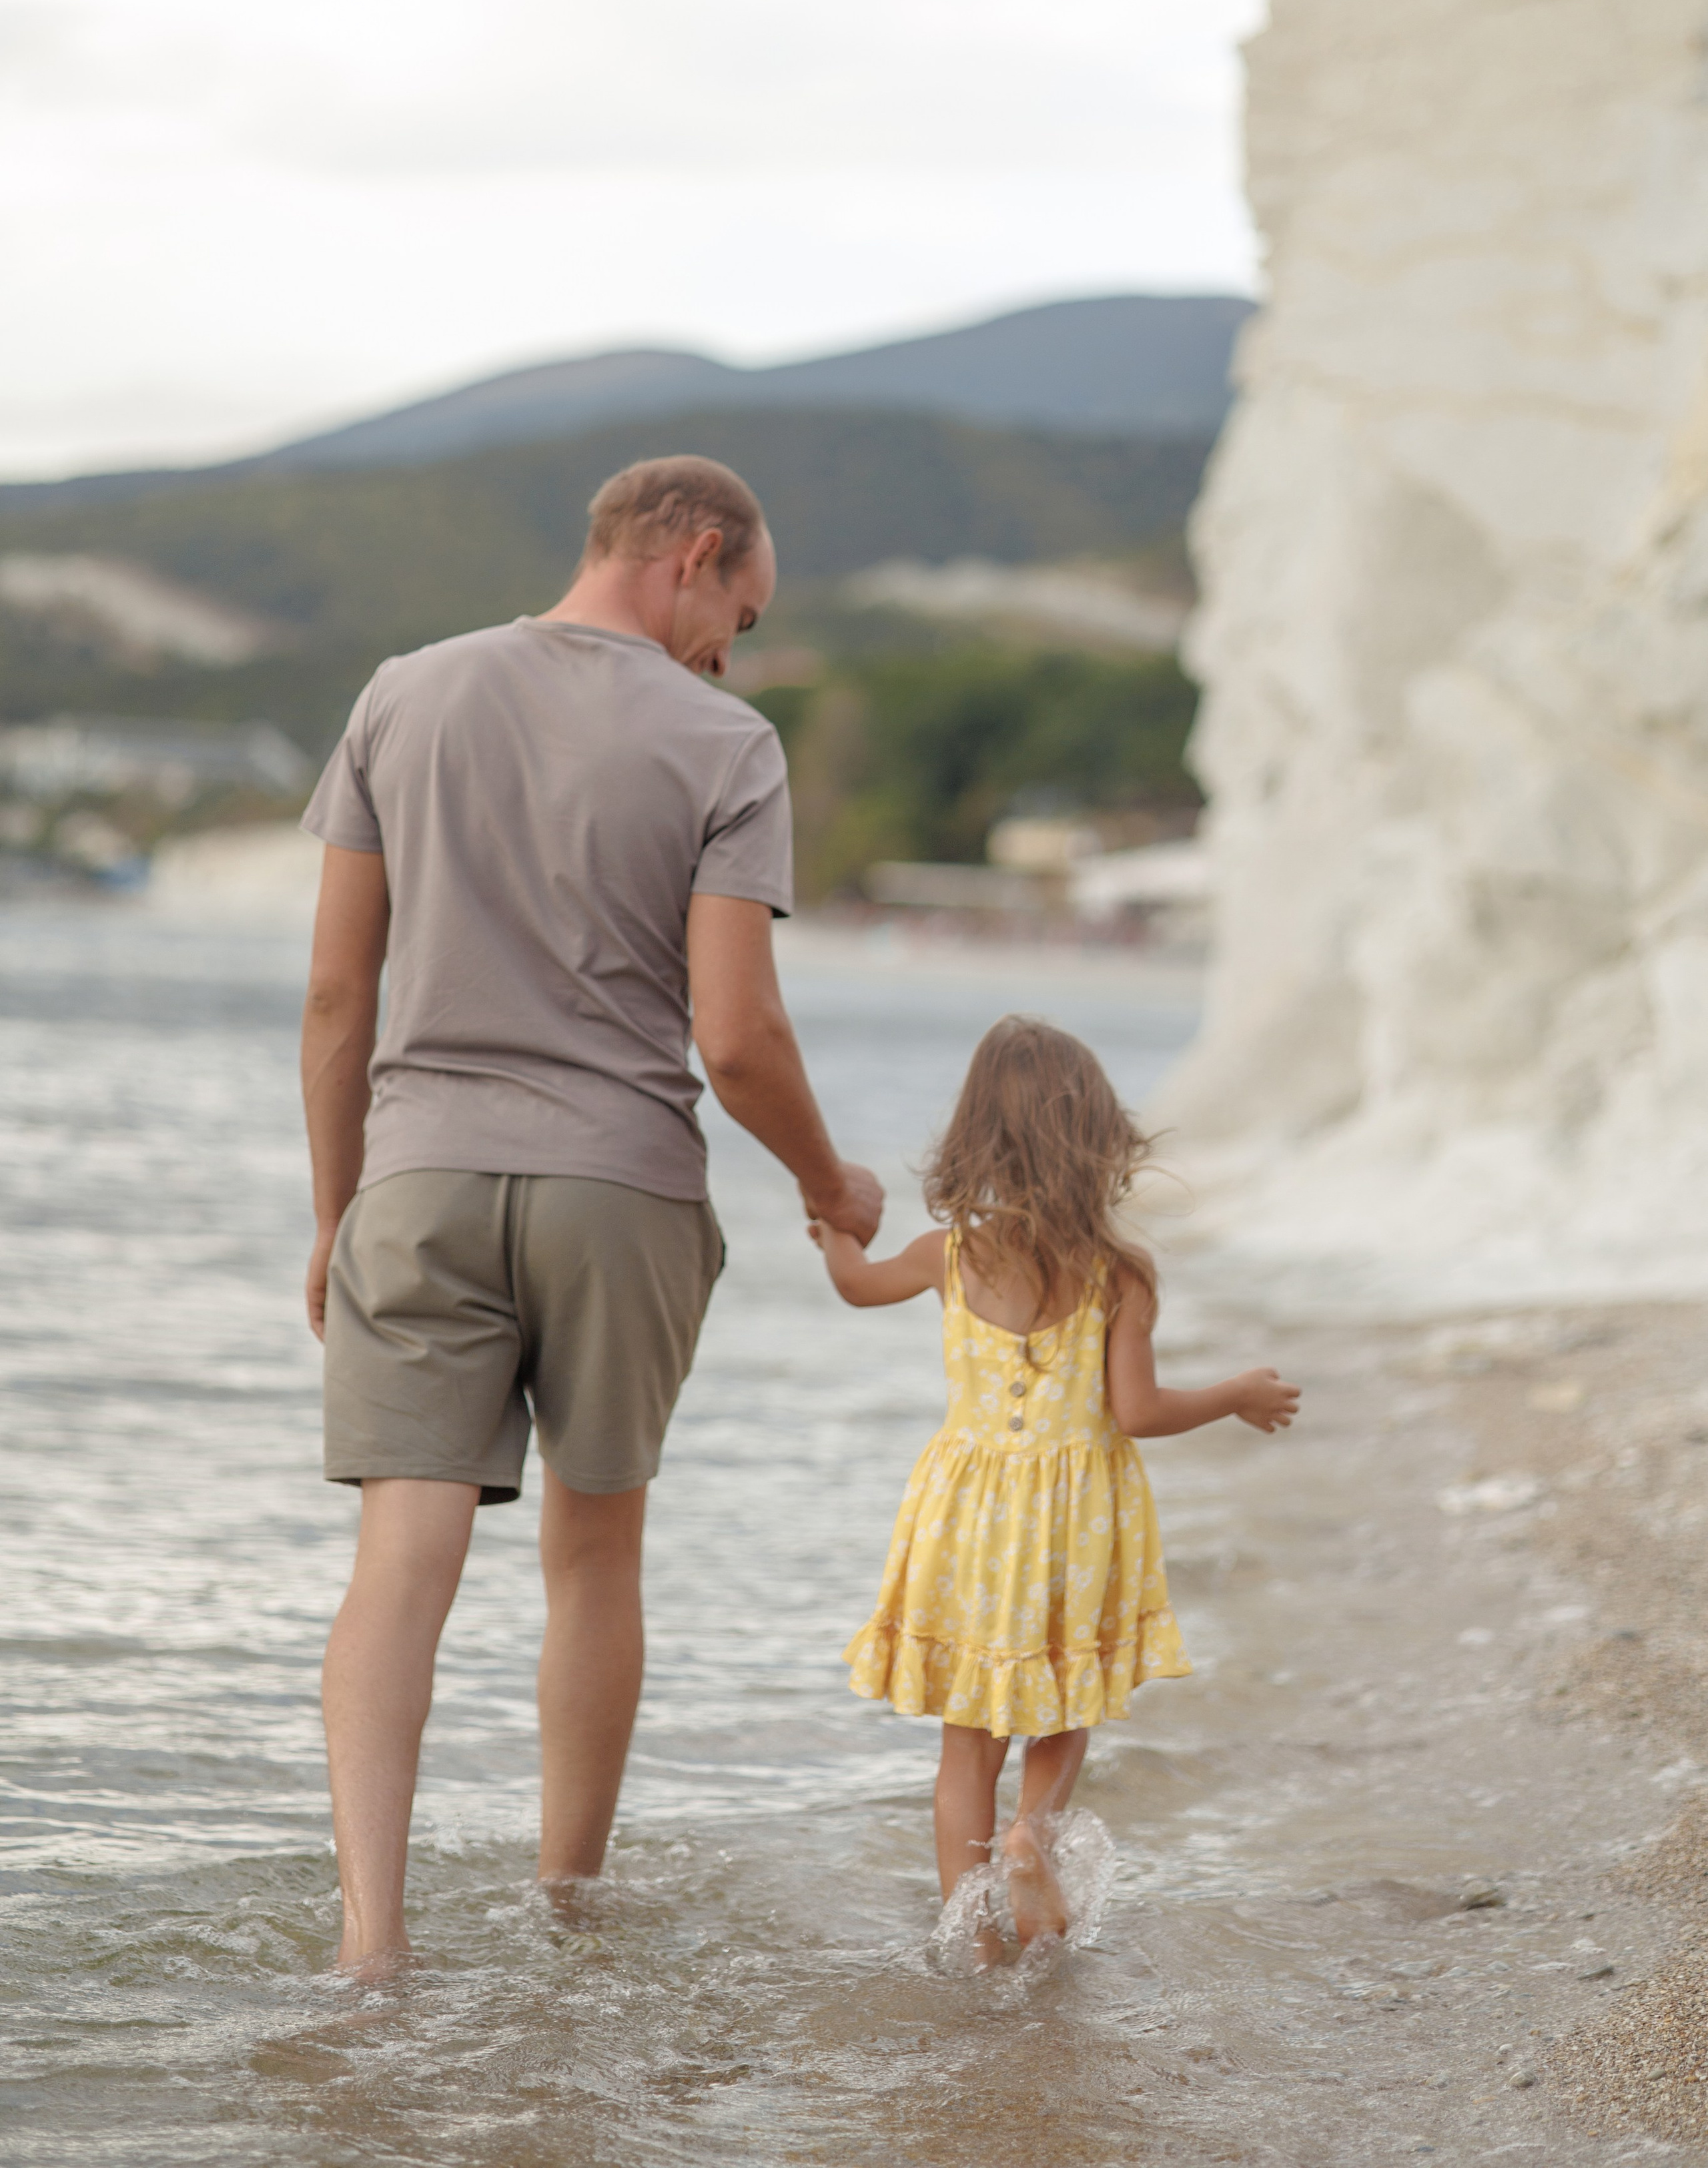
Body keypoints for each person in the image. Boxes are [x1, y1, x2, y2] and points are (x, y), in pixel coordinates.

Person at [298, 451, 881, 1974]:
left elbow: (335, 999)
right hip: (619, 1188)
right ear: (692, 556)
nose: (729, 652)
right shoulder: (727, 745)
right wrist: (833, 1187)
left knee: (398, 1562)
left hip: (417, 1177)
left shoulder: (403, 695)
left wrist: (334, 1214)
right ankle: (565, 1913)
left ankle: (371, 1946)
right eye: (735, 615)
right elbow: (738, 1039)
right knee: (592, 1555)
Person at [813, 1015, 1298, 1962]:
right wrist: (1236, 1393)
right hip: (1076, 1524)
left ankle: (976, 1937)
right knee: (1066, 1703)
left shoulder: (945, 1255)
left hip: (967, 1519)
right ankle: (1032, 1831)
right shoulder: (1121, 1275)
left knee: (966, 1742)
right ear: (1100, 1140)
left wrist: (835, 1229)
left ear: (974, 1135)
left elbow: (855, 1285)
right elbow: (1140, 1412)